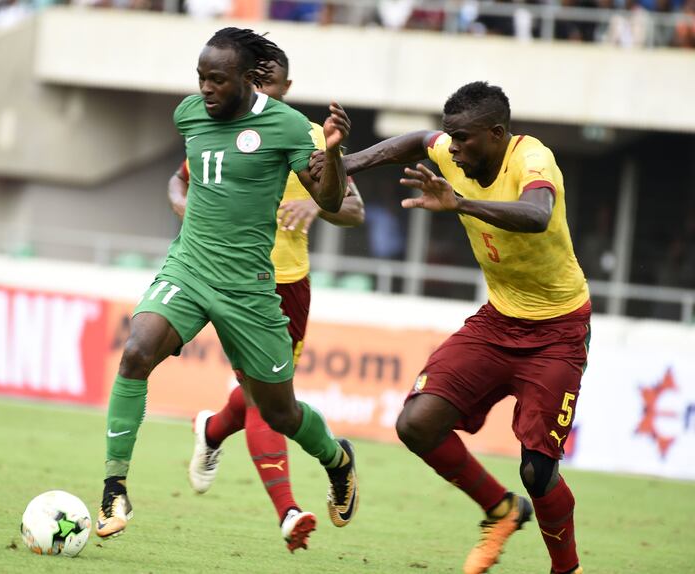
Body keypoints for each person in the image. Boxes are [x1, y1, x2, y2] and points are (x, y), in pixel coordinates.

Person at [96, 27, 360, 543]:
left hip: (250, 288)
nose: (206, 89)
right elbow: (186, 178)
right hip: (189, 269)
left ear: (248, 80)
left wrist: (331, 155)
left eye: (217, 79)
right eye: (200, 78)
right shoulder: (188, 114)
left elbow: (332, 204)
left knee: (280, 412)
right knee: (136, 352)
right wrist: (187, 207)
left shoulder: (287, 127)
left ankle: (336, 457)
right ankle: (114, 487)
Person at [315, 81, 589, 574]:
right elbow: (419, 140)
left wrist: (459, 204)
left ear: (497, 134)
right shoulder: (452, 151)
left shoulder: (532, 159)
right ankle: (500, 510)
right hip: (498, 321)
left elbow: (537, 213)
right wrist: (350, 163)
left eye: (463, 139)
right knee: (416, 424)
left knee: (538, 469)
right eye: (452, 138)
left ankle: (566, 569)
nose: (454, 148)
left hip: (558, 331)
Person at [167, 52, 364, 552]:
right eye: (250, 81)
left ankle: (213, 429)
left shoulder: (308, 136)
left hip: (286, 286)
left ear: (287, 84)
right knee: (264, 399)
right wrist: (191, 213)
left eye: (268, 81)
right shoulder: (220, 126)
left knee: (271, 398)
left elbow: (354, 210)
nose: (258, 90)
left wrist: (316, 206)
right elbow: (179, 180)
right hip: (225, 279)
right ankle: (289, 510)